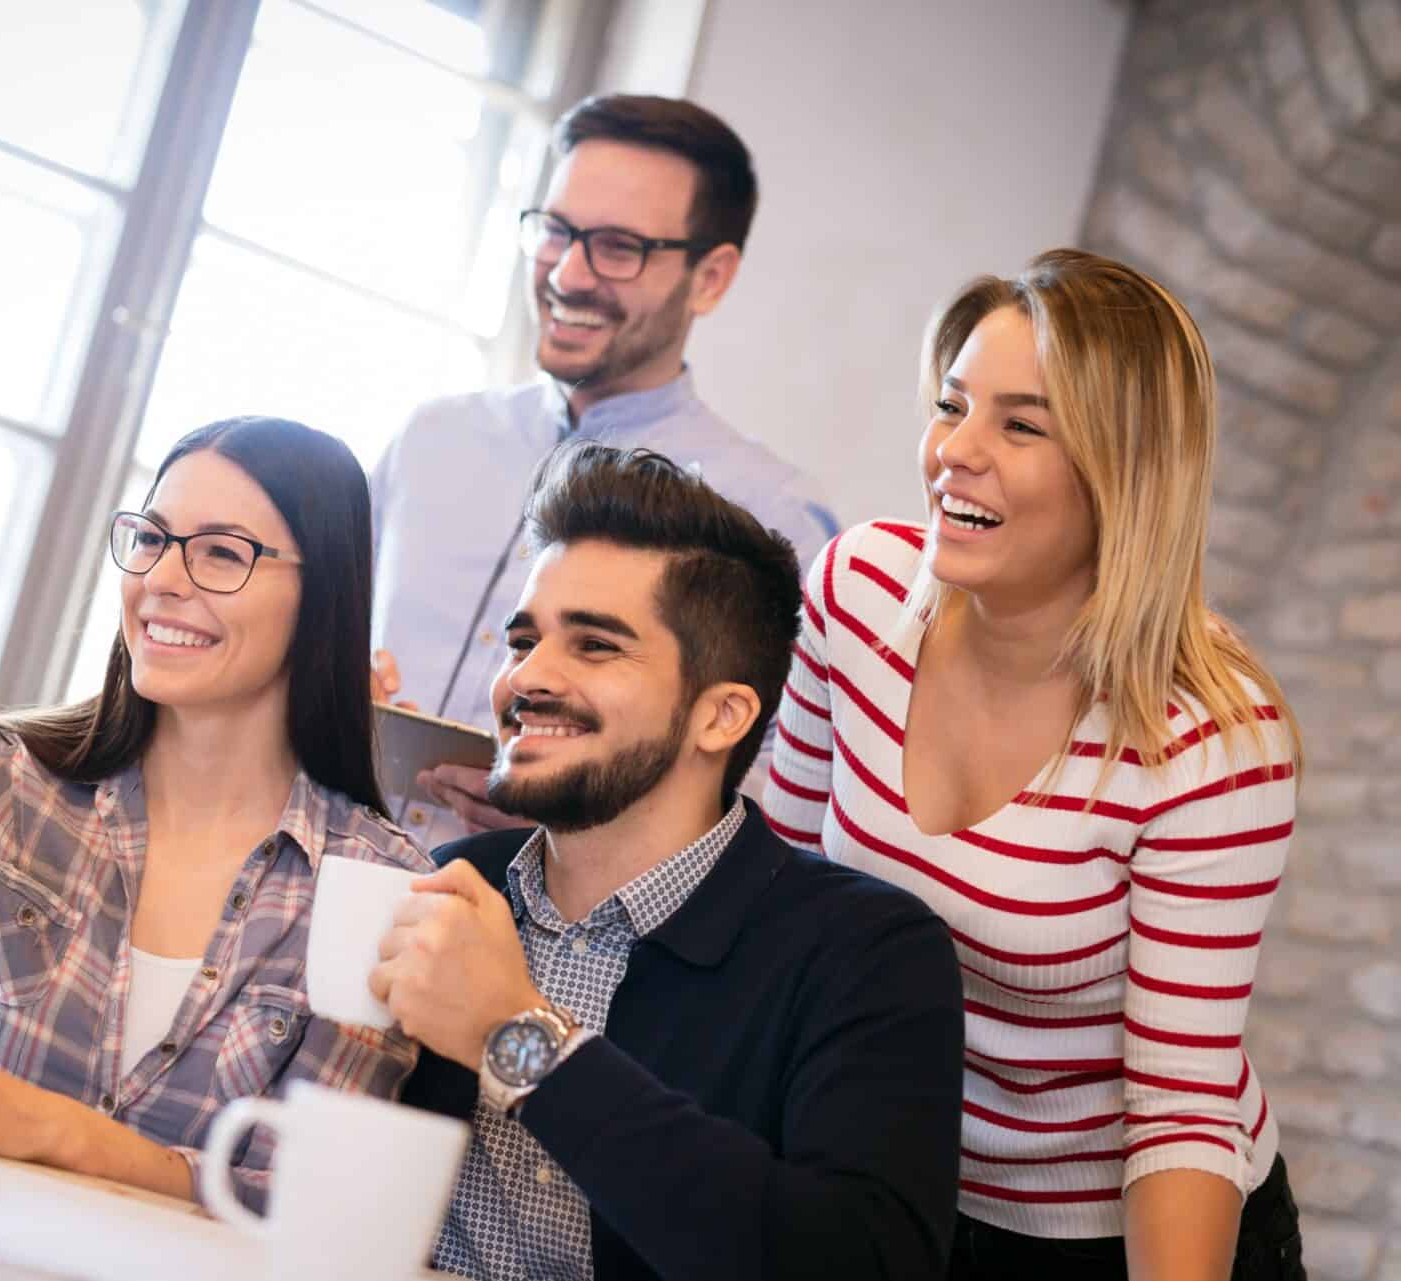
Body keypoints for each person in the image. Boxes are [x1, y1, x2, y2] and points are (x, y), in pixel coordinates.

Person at [761, 250, 1307, 1279]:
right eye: (951, 404)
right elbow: (775, 907)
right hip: (885, 1184)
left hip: (1109, 1236)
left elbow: (1181, 1105)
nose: (952, 453)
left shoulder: (1211, 738)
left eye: (1020, 425)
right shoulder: (857, 594)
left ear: (1122, 475)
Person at [0, 416, 428, 1207]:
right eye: (151, 538)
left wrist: (61, 1132)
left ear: (324, 593)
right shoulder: (15, 783)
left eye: (222, 552)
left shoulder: (380, 884)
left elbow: (301, 1202)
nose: (164, 579)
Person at [373, 441, 966, 1281]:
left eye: (595, 646)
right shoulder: (448, 882)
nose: (525, 677)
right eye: (523, 639)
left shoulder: (871, 953)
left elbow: (857, 1263)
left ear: (721, 716)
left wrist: (522, 1039)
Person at [370, 92, 834, 848]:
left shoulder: (774, 516)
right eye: (556, 231)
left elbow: (790, 791)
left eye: (618, 247)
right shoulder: (430, 440)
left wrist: (600, 806)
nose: (569, 274)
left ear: (711, 278)